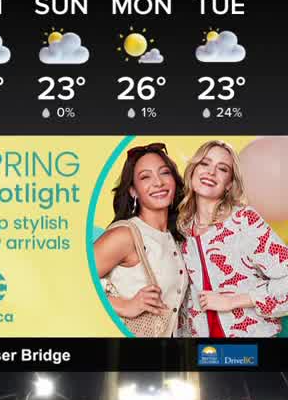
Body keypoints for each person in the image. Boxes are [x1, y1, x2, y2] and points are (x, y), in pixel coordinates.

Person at [175, 140, 288, 337]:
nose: (211, 172)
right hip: (204, 352)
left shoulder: (244, 221)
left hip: (251, 348)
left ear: (229, 184)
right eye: (205, 163)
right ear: (192, 170)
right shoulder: (180, 229)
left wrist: (232, 301)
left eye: (222, 168)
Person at [92, 142, 188, 336]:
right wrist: (125, 305)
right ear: (133, 191)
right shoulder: (126, 235)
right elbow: (73, 280)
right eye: (145, 177)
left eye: (165, 173)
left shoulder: (175, 237)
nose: (158, 182)